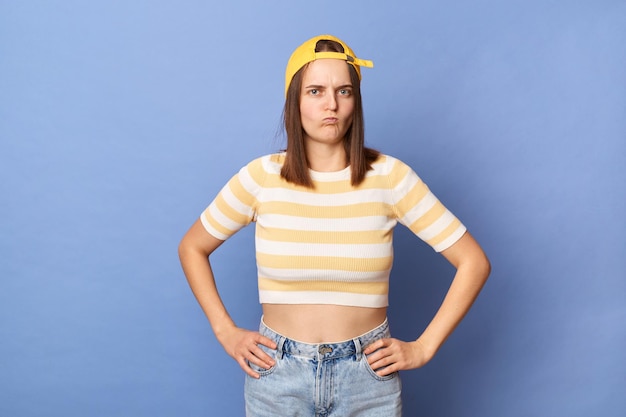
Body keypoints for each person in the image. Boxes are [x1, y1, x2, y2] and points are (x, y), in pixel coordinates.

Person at [178, 34, 491, 416]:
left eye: (344, 91)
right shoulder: (261, 178)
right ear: (294, 100)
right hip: (278, 376)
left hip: (367, 379)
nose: (331, 104)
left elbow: (474, 261)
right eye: (315, 91)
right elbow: (192, 247)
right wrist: (225, 331)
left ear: (355, 101)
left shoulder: (390, 178)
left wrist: (423, 347)